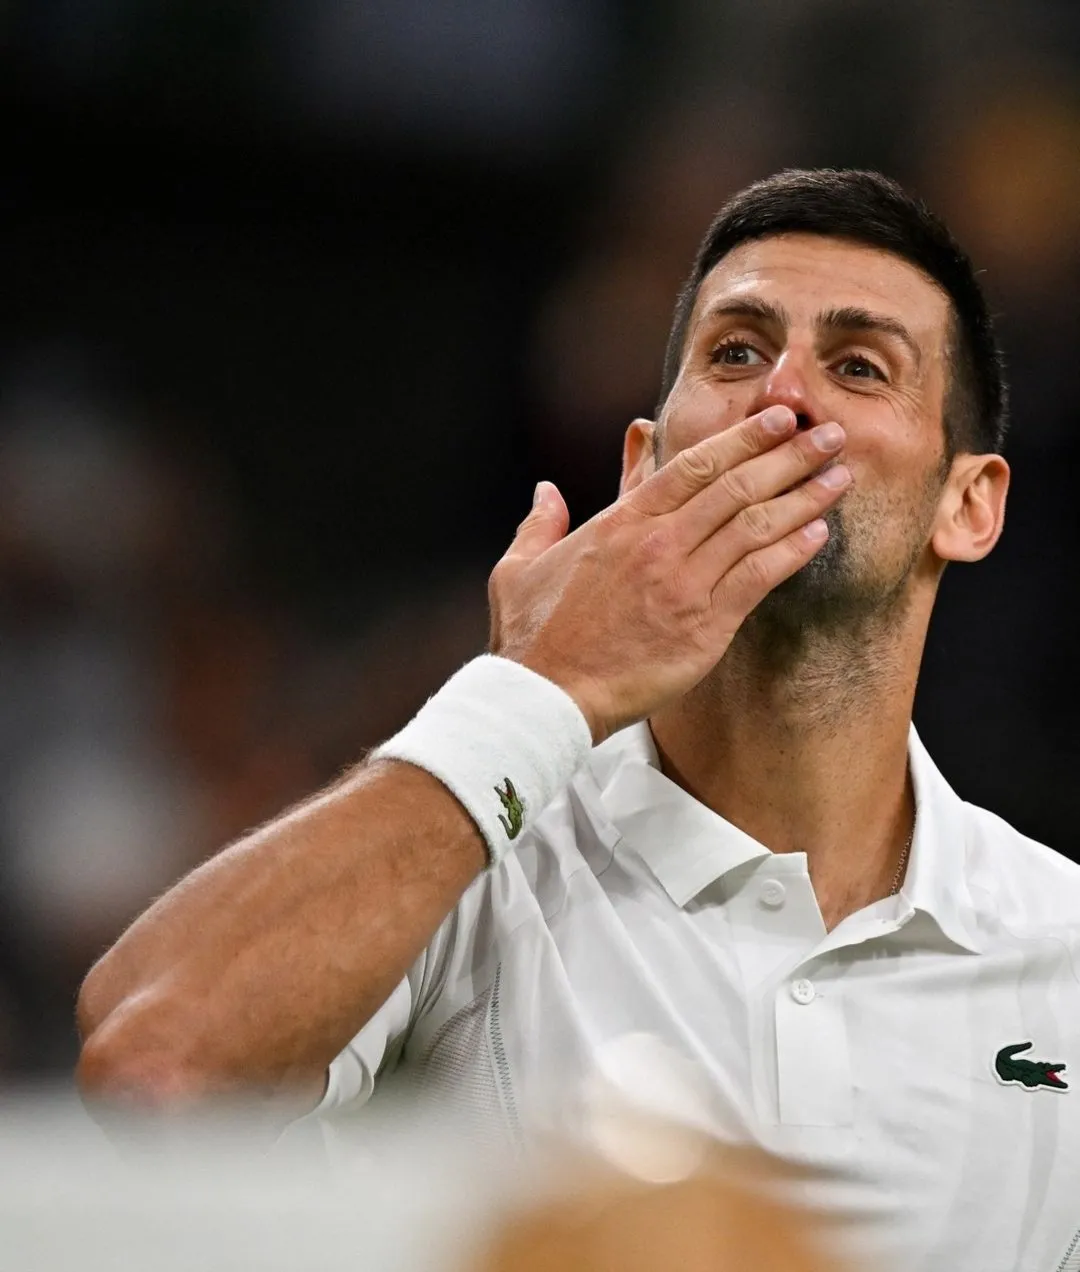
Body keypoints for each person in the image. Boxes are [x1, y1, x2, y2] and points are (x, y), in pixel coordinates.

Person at [76, 170, 1080, 1272]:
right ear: (641, 467)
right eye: (736, 353)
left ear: (968, 503)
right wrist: (538, 686)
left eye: (858, 367)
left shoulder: (1062, 948)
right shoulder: (463, 868)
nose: (784, 397)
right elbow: (156, 1062)